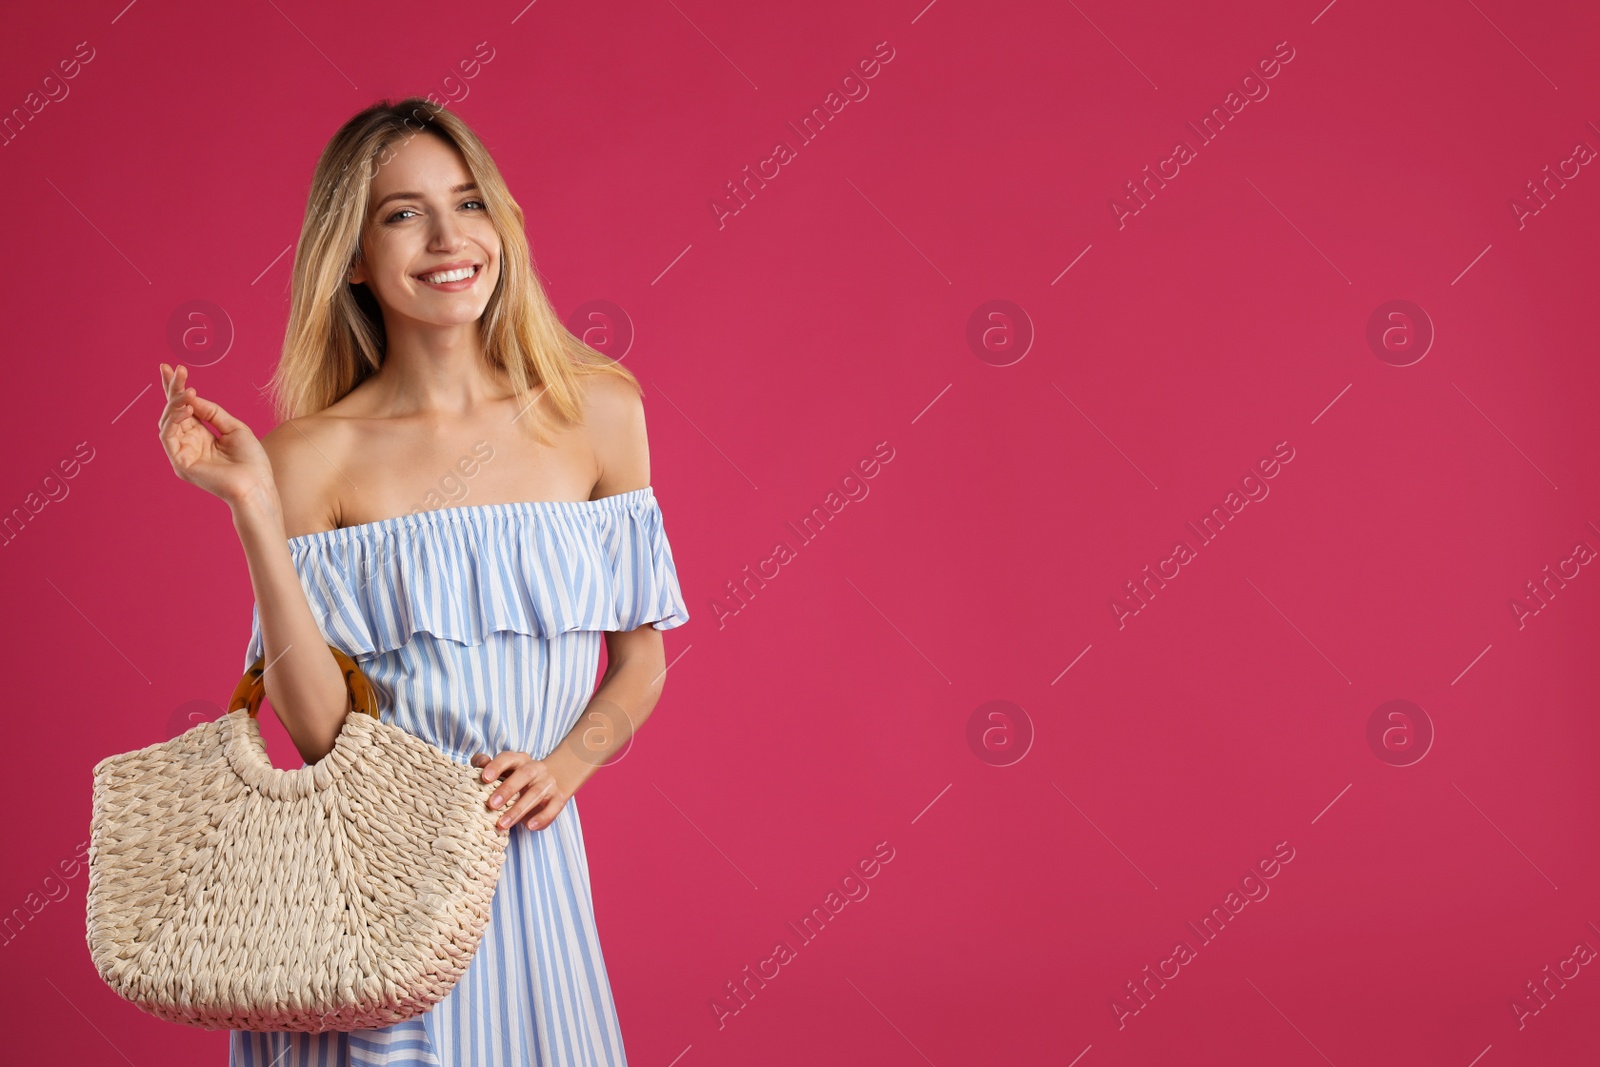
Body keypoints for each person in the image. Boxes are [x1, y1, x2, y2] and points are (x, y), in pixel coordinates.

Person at [156, 97, 690, 1066]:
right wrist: (253, 507)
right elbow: (318, 730)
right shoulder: (308, 456)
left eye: (469, 201)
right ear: (352, 254)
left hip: (528, 875)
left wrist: (563, 768)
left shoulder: (599, 412)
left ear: (501, 225)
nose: (449, 237)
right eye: (403, 213)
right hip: (368, 894)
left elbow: (642, 659)